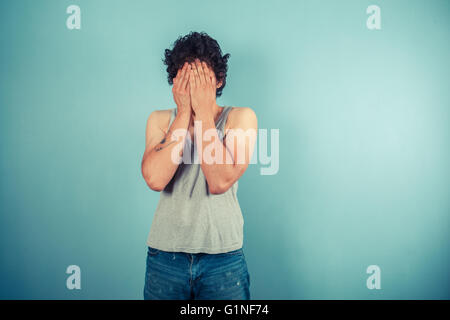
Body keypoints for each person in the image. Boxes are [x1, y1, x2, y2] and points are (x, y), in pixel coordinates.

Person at [141, 31, 257, 300]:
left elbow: (219, 180)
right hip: (165, 258)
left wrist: (203, 113)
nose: (195, 86)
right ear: (175, 82)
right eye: (186, 79)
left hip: (223, 258)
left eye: (202, 79)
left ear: (218, 80)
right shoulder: (159, 120)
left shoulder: (239, 117)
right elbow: (155, 179)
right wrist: (183, 113)